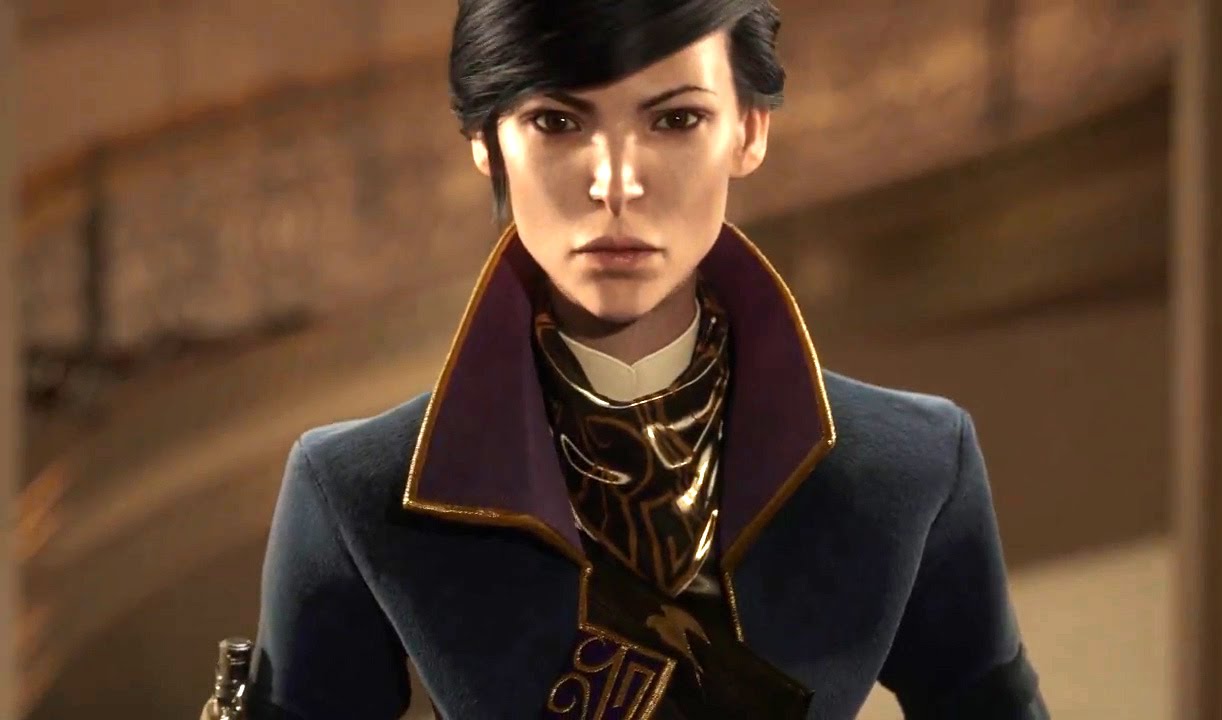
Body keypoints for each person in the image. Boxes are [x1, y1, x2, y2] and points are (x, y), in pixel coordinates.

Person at [241, 0, 1050, 717]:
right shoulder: (359, 492)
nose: (617, 183)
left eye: (676, 119)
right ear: (486, 141)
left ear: (749, 129)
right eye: (556, 122)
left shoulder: (911, 467)